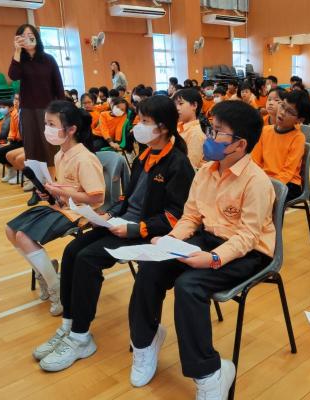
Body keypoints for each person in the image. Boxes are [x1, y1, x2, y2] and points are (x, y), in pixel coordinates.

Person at [127, 99, 274, 400]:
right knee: (151, 265)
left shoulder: (256, 182)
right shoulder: (206, 171)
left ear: (240, 144)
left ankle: (210, 373)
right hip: (208, 239)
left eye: (217, 132)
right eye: (210, 128)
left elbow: (248, 236)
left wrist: (214, 259)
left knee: (189, 286)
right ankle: (145, 342)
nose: (209, 136)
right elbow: (191, 217)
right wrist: (170, 241)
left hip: (248, 253)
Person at [35, 95, 194, 372]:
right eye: (138, 120)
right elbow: (127, 198)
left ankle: (81, 338)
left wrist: (136, 228)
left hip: (147, 233)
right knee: (72, 251)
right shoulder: (144, 156)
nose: (137, 126)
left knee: (87, 259)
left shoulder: (178, 164)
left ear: (163, 127)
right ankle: (69, 324)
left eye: (144, 121)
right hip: (122, 223)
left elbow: (174, 215)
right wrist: (108, 216)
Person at [5, 100, 104, 316]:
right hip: (63, 207)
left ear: (71, 129)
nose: (47, 129)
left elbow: (97, 197)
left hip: (81, 212)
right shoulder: (59, 155)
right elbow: (64, 189)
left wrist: (62, 192)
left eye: (52, 124)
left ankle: (56, 289)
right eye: (46, 124)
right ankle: (45, 270)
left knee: (23, 236)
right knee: (10, 229)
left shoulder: (85, 158)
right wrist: (50, 192)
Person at [8, 24, 64, 171]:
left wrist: (61, 110)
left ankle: (54, 178)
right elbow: (13, 75)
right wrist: (17, 51)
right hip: (27, 110)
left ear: (37, 38)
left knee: (50, 146)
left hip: (48, 109)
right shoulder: (20, 60)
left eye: (30, 35)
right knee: (31, 147)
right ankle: (38, 181)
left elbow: (58, 86)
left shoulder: (48, 59)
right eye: (23, 36)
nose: (27, 38)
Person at [252, 90, 310, 201]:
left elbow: (288, 172)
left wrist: (268, 186)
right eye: (283, 106)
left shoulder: (298, 138)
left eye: (290, 111)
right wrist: (258, 180)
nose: (283, 112)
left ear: (299, 120)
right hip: (265, 179)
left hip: (288, 183)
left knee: (260, 200)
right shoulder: (264, 131)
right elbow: (255, 162)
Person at [174, 88, 206, 169]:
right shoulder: (179, 126)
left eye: (180, 103)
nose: (177, 108)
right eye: (175, 105)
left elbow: (189, 166)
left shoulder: (196, 134)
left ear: (194, 105)